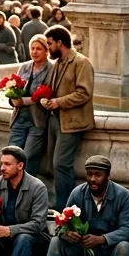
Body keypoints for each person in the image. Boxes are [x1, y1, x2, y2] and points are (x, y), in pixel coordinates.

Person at [41, 25, 95, 209]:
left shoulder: (81, 62)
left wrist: (58, 102)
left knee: (61, 165)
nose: (47, 47)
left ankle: (67, 207)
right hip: (56, 120)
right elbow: (51, 88)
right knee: (52, 166)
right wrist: (45, 99)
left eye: (49, 44)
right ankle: (60, 204)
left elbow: (84, 93)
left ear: (59, 42)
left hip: (72, 123)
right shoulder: (58, 63)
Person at [7, 34, 52, 175]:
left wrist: (25, 101)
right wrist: (12, 100)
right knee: (11, 156)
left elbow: (49, 93)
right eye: (32, 48)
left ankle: (28, 186)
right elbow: (14, 89)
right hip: (19, 118)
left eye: (39, 49)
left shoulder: (52, 69)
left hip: (37, 120)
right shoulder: (25, 67)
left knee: (28, 157)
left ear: (47, 51)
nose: (34, 52)